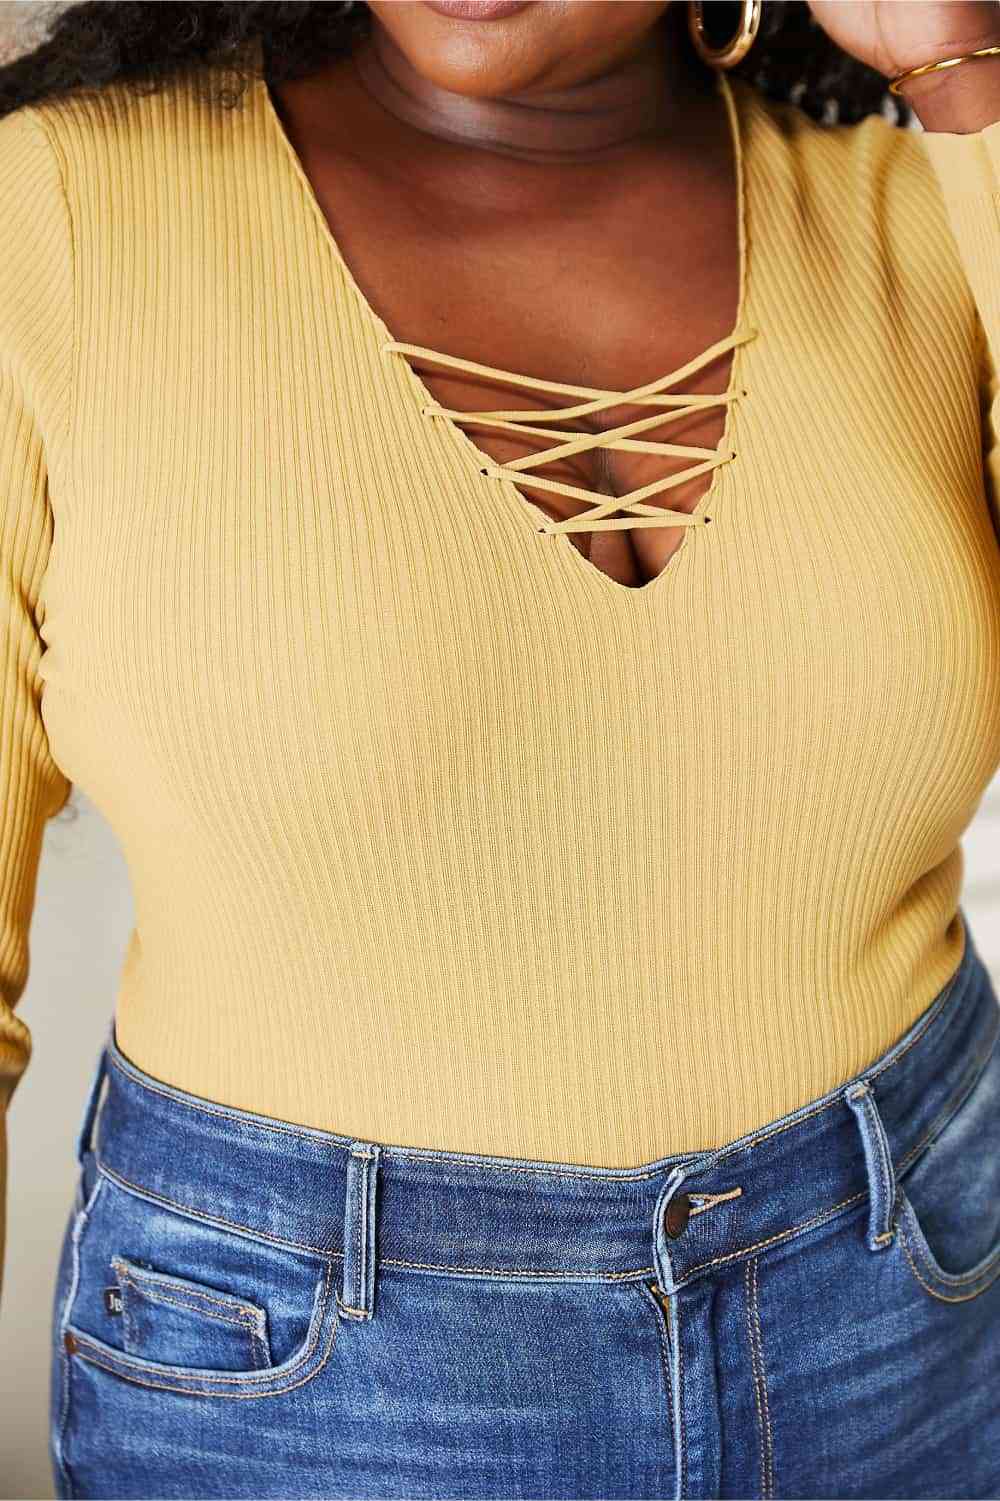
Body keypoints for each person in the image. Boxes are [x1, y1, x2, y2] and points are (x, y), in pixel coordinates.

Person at [0, 0, 999, 1495]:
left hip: (917, 1291)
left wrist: (963, 73)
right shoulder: (63, 216)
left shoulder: (912, 200)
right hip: (304, 1381)